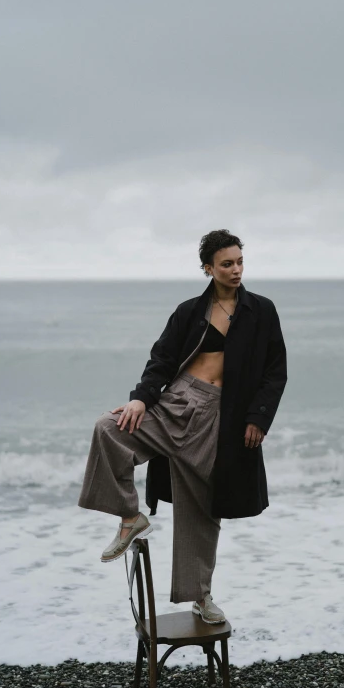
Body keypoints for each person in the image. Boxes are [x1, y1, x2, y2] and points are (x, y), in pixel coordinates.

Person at [78, 229, 287, 623]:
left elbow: (275, 372)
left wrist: (258, 418)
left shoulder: (262, 311)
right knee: (109, 428)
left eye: (240, 261)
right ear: (208, 268)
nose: (236, 269)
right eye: (226, 264)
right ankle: (129, 516)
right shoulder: (189, 311)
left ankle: (201, 597)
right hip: (177, 400)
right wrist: (141, 396)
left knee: (203, 509)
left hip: (221, 417)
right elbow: (162, 357)